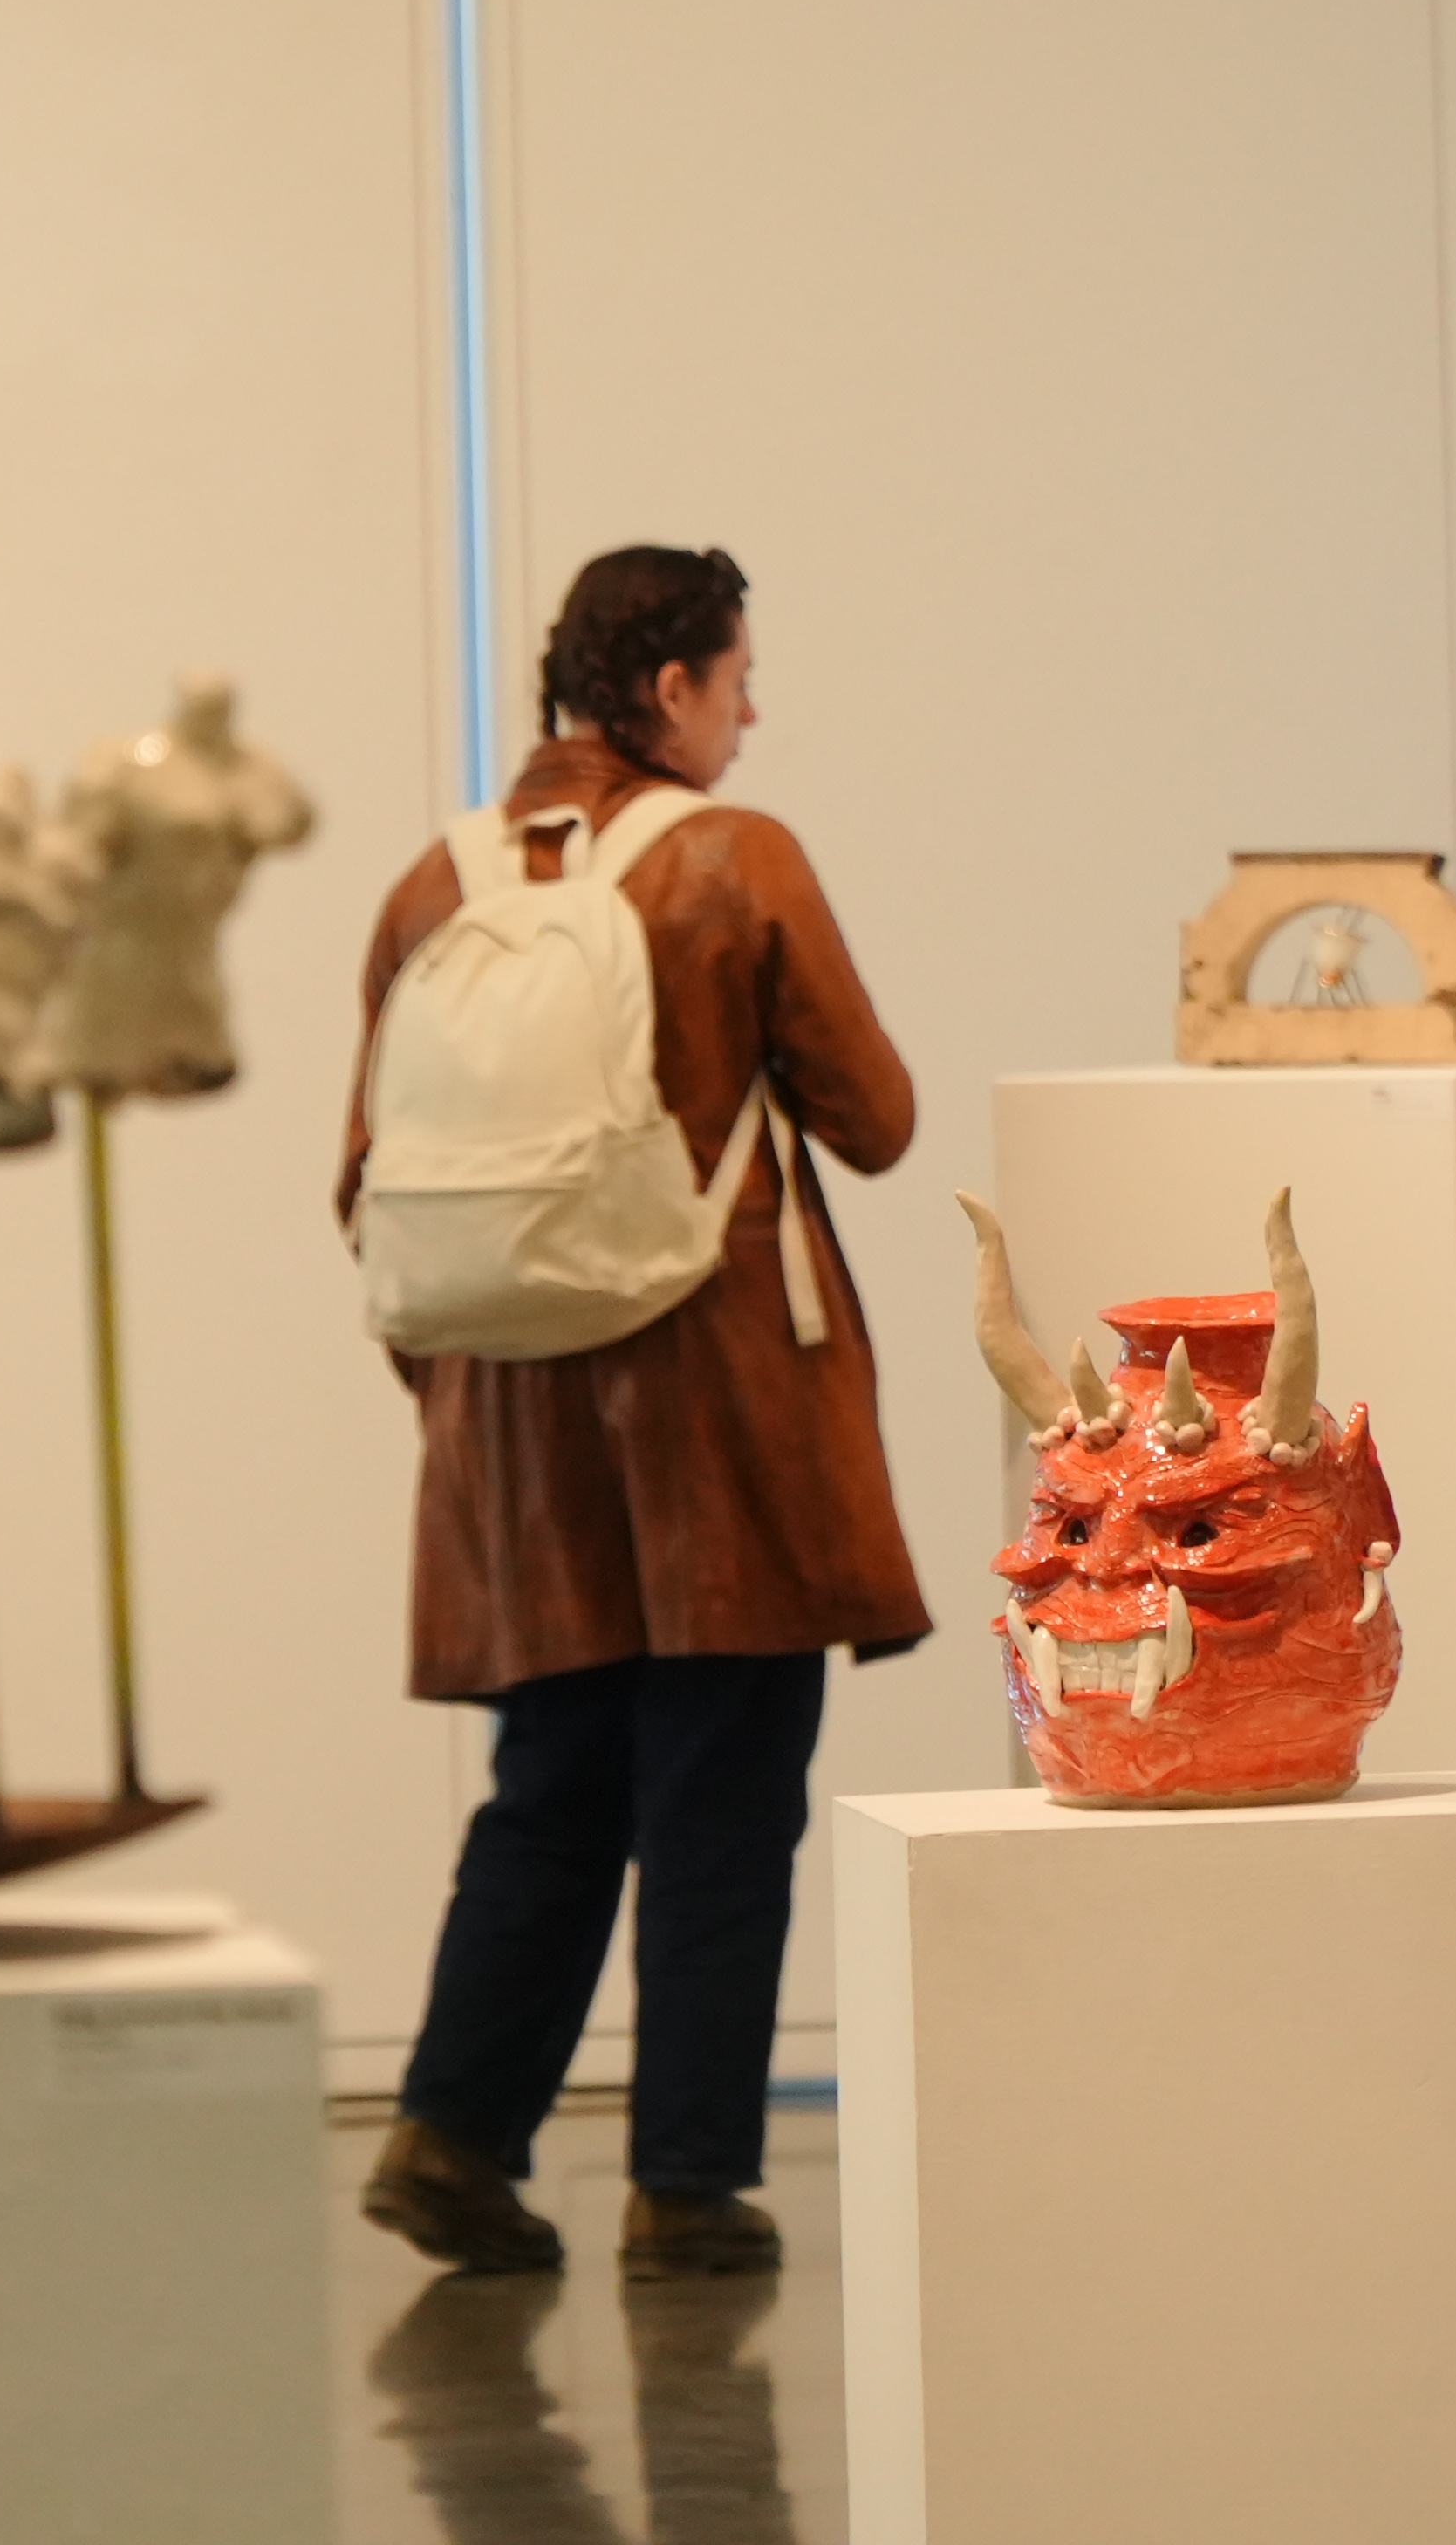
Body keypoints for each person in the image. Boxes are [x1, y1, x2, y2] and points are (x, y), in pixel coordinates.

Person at [338, 544, 928, 2279]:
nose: (754, 708)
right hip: (726, 1407)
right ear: (669, 688)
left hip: (515, 1433)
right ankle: (687, 2186)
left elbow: (367, 1187)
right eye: (740, 676)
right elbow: (875, 1117)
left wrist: (479, 1390)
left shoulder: (425, 889)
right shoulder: (737, 862)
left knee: (553, 1788)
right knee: (724, 1801)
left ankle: (453, 2135)